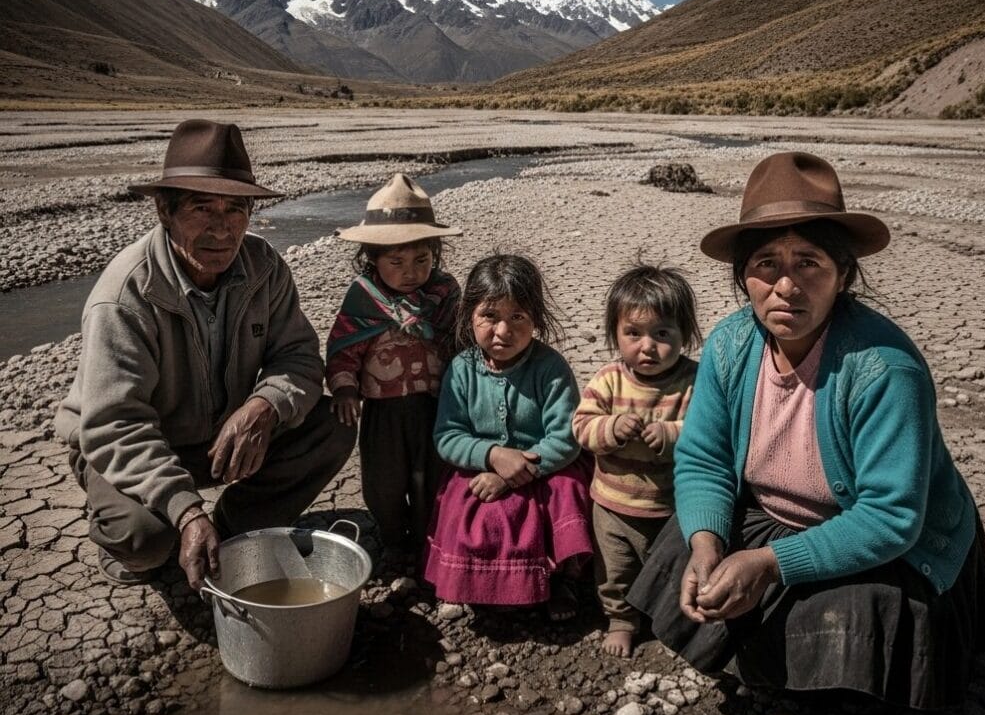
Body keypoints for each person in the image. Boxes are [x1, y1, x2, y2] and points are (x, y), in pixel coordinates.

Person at [629, 151, 985, 708]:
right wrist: (707, 544)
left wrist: (770, 564)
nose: (786, 286)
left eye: (809, 263)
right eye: (766, 264)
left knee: (861, 608)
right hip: (770, 514)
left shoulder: (883, 369)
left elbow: (891, 515)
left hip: (877, 539)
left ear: (843, 274)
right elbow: (703, 458)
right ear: (743, 276)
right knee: (689, 531)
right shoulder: (732, 344)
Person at [56, 119, 355, 590]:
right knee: (145, 540)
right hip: (126, 445)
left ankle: (232, 528)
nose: (222, 228)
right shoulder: (126, 296)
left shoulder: (265, 269)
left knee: (333, 425)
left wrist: (264, 406)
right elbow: (115, 423)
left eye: (236, 209)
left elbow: (299, 357)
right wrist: (186, 509)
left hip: (218, 436)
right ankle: (149, 541)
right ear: (164, 210)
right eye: (201, 207)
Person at [424, 254, 592, 620]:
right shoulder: (462, 369)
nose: (503, 331)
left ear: (536, 319)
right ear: (469, 316)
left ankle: (563, 579)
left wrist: (514, 473)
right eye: (490, 316)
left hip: (546, 467)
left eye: (517, 317)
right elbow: (448, 435)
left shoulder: (550, 368)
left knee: (568, 492)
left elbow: (566, 437)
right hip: (482, 467)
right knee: (466, 505)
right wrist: (492, 456)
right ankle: (469, 581)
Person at [325, 173, 461, 559]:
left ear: (436, 253)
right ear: (372, 258)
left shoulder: (445, 292)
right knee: (383, 482)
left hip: (436, 407)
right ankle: (392, 538)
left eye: (422, 259)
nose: (410, 272)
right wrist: (345, 388)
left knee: (430, 477)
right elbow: (343, 348)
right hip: (383, 412)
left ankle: (425, 540)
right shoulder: (364, 298)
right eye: (396, 262)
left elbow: (458, 343)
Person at [573, 265, 700, 657]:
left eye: (662, 334)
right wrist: (609, 429)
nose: (647, 346)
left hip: (671, 506)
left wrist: (671, 433)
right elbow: (581, 427)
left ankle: (669, 619)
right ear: (616, 334)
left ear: (685, 335)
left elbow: (709, 432)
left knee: (671, 569)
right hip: (614, 504)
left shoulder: (694, 381)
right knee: (616, 569)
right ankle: (621, 619)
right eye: (633, 334)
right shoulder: (609, 379)